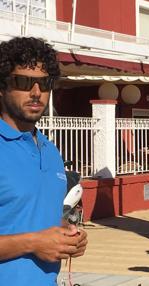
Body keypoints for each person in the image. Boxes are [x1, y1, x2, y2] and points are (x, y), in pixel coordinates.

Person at [0, 37, 88, 285]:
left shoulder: (50, 151)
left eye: (44, 83)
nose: (36, 92)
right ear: (2, 86)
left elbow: (29, 216)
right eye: (24, 82)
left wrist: (67, 236)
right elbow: (34, 237)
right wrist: (33, 243)